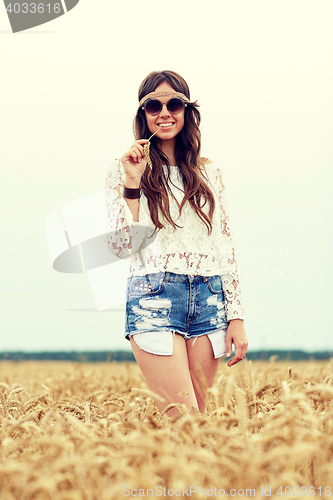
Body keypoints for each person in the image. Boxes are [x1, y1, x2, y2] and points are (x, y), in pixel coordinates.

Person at [105, 70, 248, 416]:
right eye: (154, 105)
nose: (164, 112)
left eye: (174, 104)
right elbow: (122, 245)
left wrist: (237, 317)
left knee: (198, 428)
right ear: (143, 115)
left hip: (210, 299)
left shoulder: (209, 173)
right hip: (154, 298)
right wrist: (133, 183)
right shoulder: (123, 169)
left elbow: (224, 246)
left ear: (187, 111)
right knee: (182, 421)